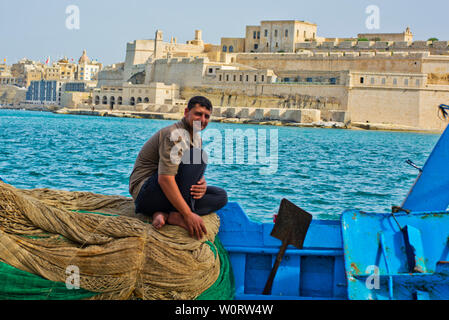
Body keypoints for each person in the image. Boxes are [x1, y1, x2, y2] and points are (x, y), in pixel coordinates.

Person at [129, 96, 228, 240]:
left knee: (220, 196)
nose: (203, 119)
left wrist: (202, 184)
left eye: (207, 116)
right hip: (146, 193)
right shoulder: (174, 134)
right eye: (198, 114)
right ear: (186, 112)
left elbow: (189, 172)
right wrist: (188, 215)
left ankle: (167, 214)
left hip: (164, 195)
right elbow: (165, 179)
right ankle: (177, 214)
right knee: (198, 156)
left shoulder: (196, 139)